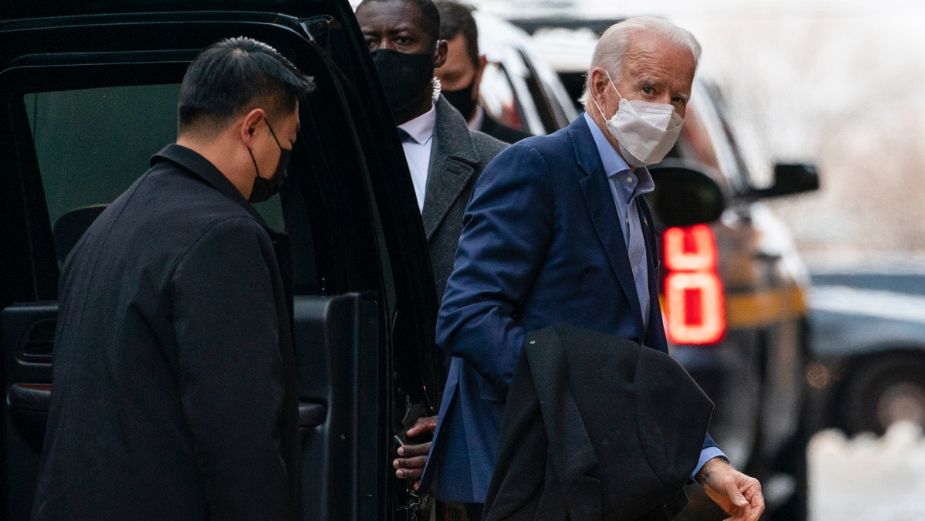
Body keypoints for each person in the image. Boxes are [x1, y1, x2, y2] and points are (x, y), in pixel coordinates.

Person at [420, 17, 765, 521]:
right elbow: (467, 317)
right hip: (524, 479)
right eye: (650, 89)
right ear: (601, 87)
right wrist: (572, 399)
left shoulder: (635, 198)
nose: (666, 111)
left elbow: (643, 366)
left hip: (594, 480)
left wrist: (708, 463)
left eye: (678, 98)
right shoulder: (537, 167)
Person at [31, 37, 313, 521]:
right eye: (286, 143)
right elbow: (236, 435)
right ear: (253, 128)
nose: (284, 160)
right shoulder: (225, 236)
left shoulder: (108, 224)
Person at [355, 0, 506, 492]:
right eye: (369, 42)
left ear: (437, 54)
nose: (384, 54)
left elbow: (520, 321)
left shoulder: (498, 166)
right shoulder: (310, 157)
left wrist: (464, 427)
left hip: (459, 461)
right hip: (346, 436)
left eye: (402, 40)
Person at [434, 0, 532, 143]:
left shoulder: (520, 151)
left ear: (480, 70)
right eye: (425, 80)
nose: (436, 92)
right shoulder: (399, 149)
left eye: (452, 78)